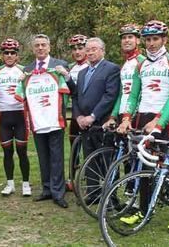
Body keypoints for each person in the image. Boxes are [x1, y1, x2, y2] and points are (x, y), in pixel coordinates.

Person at [117, 20, 169, 231]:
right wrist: (127, 118)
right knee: (144, 167)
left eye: (156, 39)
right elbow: (133, 95)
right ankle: (143, 209)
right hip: (143, 118)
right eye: (148, 39)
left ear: (164, 39)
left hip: (164, 119)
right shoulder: (141, 65)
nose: (152, 43)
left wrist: (159, 120)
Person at [21, 33, 70, 208]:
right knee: (42, 155)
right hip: (37, 119)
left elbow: (71, 89)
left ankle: (58, 192)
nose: (40, 48)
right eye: (37, 45)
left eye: (43, 45)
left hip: (55, 118)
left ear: (49, 47)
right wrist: (22, 82)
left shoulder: (60, 65)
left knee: (56, 155)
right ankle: (47, 189)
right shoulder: (26, 70)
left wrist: (66, 75)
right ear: (33, 49)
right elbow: (22, 95)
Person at [71, 37, 120, 202]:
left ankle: (110, 197)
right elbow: (77, 96)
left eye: (94, 49)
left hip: (102, 123)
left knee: (107, 161)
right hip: (84, 124)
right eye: (88, 49)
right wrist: (78, 116)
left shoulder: (111, 69)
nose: (90, 52)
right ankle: (92, 193)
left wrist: (93, 116)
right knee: (89, 159)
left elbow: (110, 96)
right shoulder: (82, 72)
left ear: (102, 51)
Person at [0, 38, 31, 197]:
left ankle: (26, 184)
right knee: (7, 152)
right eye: (6, 53)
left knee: (22, 151)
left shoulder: (25, 70)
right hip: (3, 115)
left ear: (17, 56)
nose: (9, 55)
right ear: (2, 55)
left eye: (12, 53)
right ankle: (10, 184)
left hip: (20, 115)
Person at [104, 24, 146, 129]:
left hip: (137, 113)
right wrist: (113, 115)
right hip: (122, 113)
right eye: (124, 38)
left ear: (138, 41)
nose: (126, 40)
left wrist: (132, 115)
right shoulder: (125, 65)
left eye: (130, 37)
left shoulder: (143, 62)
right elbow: (121, 94)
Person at [64, 34, 89, 190]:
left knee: (88, 148)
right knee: (74, 148)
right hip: (75, 113)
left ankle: (89, 182)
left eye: (80, 48)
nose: (77, 52)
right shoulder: (70, 68)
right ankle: (72, 179)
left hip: (88, 113)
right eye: (74, 49)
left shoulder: (91, 65)